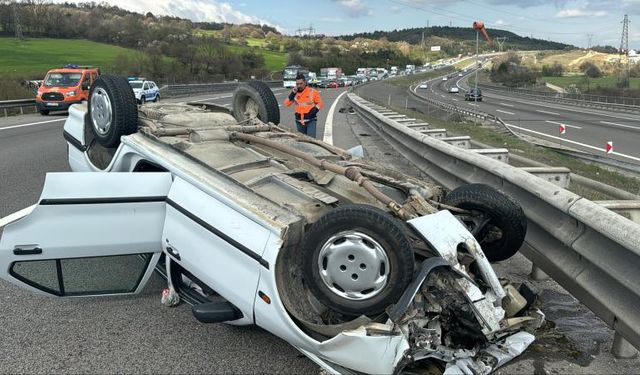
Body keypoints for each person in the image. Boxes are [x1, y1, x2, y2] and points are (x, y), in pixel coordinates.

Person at [284, 73, 324, 138]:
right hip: (299, 121)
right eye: (297, 84)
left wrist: (313, 111)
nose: (299, 86)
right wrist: (292, 94)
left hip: (310, 120)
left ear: (305, 83)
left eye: (301, 83)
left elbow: (320, 103)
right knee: (302, 142)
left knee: (311, 141)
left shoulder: (312, 91)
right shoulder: (295, 93)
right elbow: (286, 104)